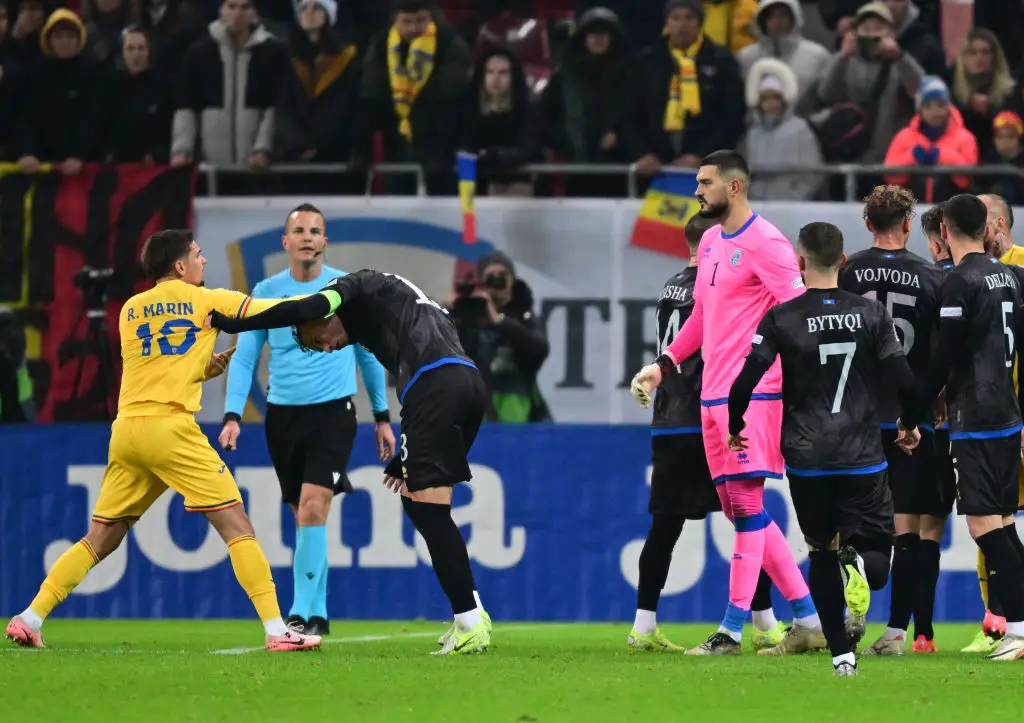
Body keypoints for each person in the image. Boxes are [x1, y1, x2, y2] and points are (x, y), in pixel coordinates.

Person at [5, 229, 322, 652]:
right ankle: (276, 629)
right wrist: (333, 299)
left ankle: (29, 618)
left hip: (128, 429)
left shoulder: (130, 310)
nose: (204, 261)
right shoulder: (207, 300)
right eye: (198, 254)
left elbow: (157, 362)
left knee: (100, 537)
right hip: (170, 428)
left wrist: (205, 368)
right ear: (179, 266)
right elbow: (275, 310)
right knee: (236, 525)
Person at [207, 270, 493, 655]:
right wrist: (405, 451)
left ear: (322, 315)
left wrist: (233, 322)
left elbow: (303, 307)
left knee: (428, 512)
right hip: (467, 383)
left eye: (315, 338)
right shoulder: (392, 301)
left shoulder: (347, 289)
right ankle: (471, 611)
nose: (326, 348)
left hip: (435, 386)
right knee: (420, 500)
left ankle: (470, 622)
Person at [630, 149, 825, 656]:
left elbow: (798, 313)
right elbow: (700, 318)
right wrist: (664, 363)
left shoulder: (769, 244)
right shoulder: (713, 241)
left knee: (744, 504)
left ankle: (731, 631)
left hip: (753, 394)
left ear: (734, 187)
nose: (697, 191)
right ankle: (806, 618)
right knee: (745, 513)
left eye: (705, 183)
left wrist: (797, 383)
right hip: (710, 396)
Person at [727, 221, 922, 676]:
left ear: (799, 262)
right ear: (844, 262)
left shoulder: (781, 316)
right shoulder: (871, 316)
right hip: (862, 456)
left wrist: (737, 423)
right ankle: (858, 562)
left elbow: (744, 382)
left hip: (808, 458)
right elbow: (906, 383)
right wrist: (909, 425)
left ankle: (841, 656)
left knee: (820, 551)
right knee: (876, 561)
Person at [220, 204, 394, 637]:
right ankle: (317, 611)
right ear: (286, 241)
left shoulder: (342, 289)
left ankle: (297, 613)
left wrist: (382, 416)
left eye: (316, 231)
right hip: (283, 417)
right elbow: (244, 358)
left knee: (314, 507)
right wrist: (232, 414)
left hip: (334, 411)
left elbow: (367, 355)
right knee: (304, 515)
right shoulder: (266, 290)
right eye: (299, 230)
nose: (307, 237)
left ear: (325, 242)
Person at [629, 214, 785, 654]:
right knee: (747, 515)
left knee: (665, 525)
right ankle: (765, 622)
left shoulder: (670, 286)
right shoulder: (721, 286)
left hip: (667, 415)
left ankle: (643, 624)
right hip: (711, 410)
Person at [837, 185, 945, 655]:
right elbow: (942, 353)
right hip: (909, 417)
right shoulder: (930, 277)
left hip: (855, 417)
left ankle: (851, 598)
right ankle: (899, 632)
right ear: (907, 225)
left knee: (851, 521)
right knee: (909, 526)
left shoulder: (849, 272)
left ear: (867, 224)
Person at [917, 193, 1024, 661]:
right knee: (1002, 524)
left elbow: (945, 358)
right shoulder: (1015, 276)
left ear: (943, 231)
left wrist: (914, 410)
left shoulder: (959, 281)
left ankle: (1019, 630)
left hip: (976, 416)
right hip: (1008, 413)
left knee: (985, 526)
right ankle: (1020, 627)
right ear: (987, 227)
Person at [450, 250, 550, 423]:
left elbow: (540, 350)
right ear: (482, 283)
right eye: (490, 277)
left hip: (517, 409)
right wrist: (449, 315)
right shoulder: (469, 317)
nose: (497, 282)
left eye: (502, 276)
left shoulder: (525, 317)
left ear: (512, 280)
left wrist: (500, 321)